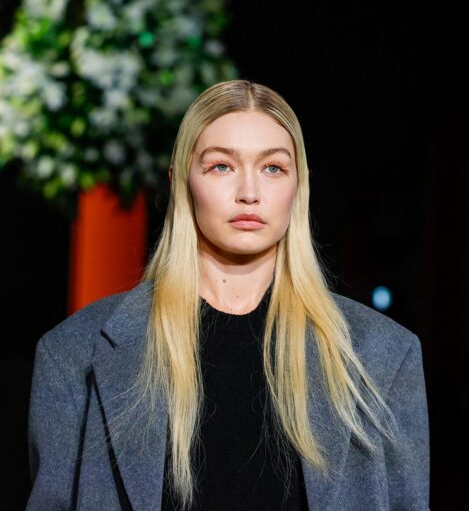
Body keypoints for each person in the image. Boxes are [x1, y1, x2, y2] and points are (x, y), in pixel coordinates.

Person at [26, 79, 430, 510]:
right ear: (181, 181)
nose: (249, 193)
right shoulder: (74, 355)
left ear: (299, 185)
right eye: (221, 166)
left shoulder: (384, 356)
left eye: (273, 168)